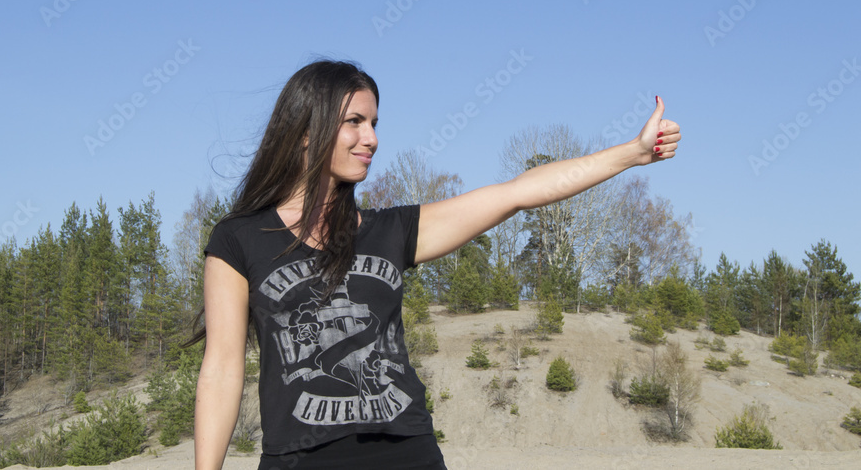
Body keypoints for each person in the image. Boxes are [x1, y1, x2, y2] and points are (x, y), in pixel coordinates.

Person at [190, 60, 681, 470]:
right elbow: (222, 370)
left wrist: (632, 153)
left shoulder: (391, 231)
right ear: (304, 131)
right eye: (355, 121)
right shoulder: (238, 239)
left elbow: (516, 193)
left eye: (374, 123)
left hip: (407, 451)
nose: (371, 138)